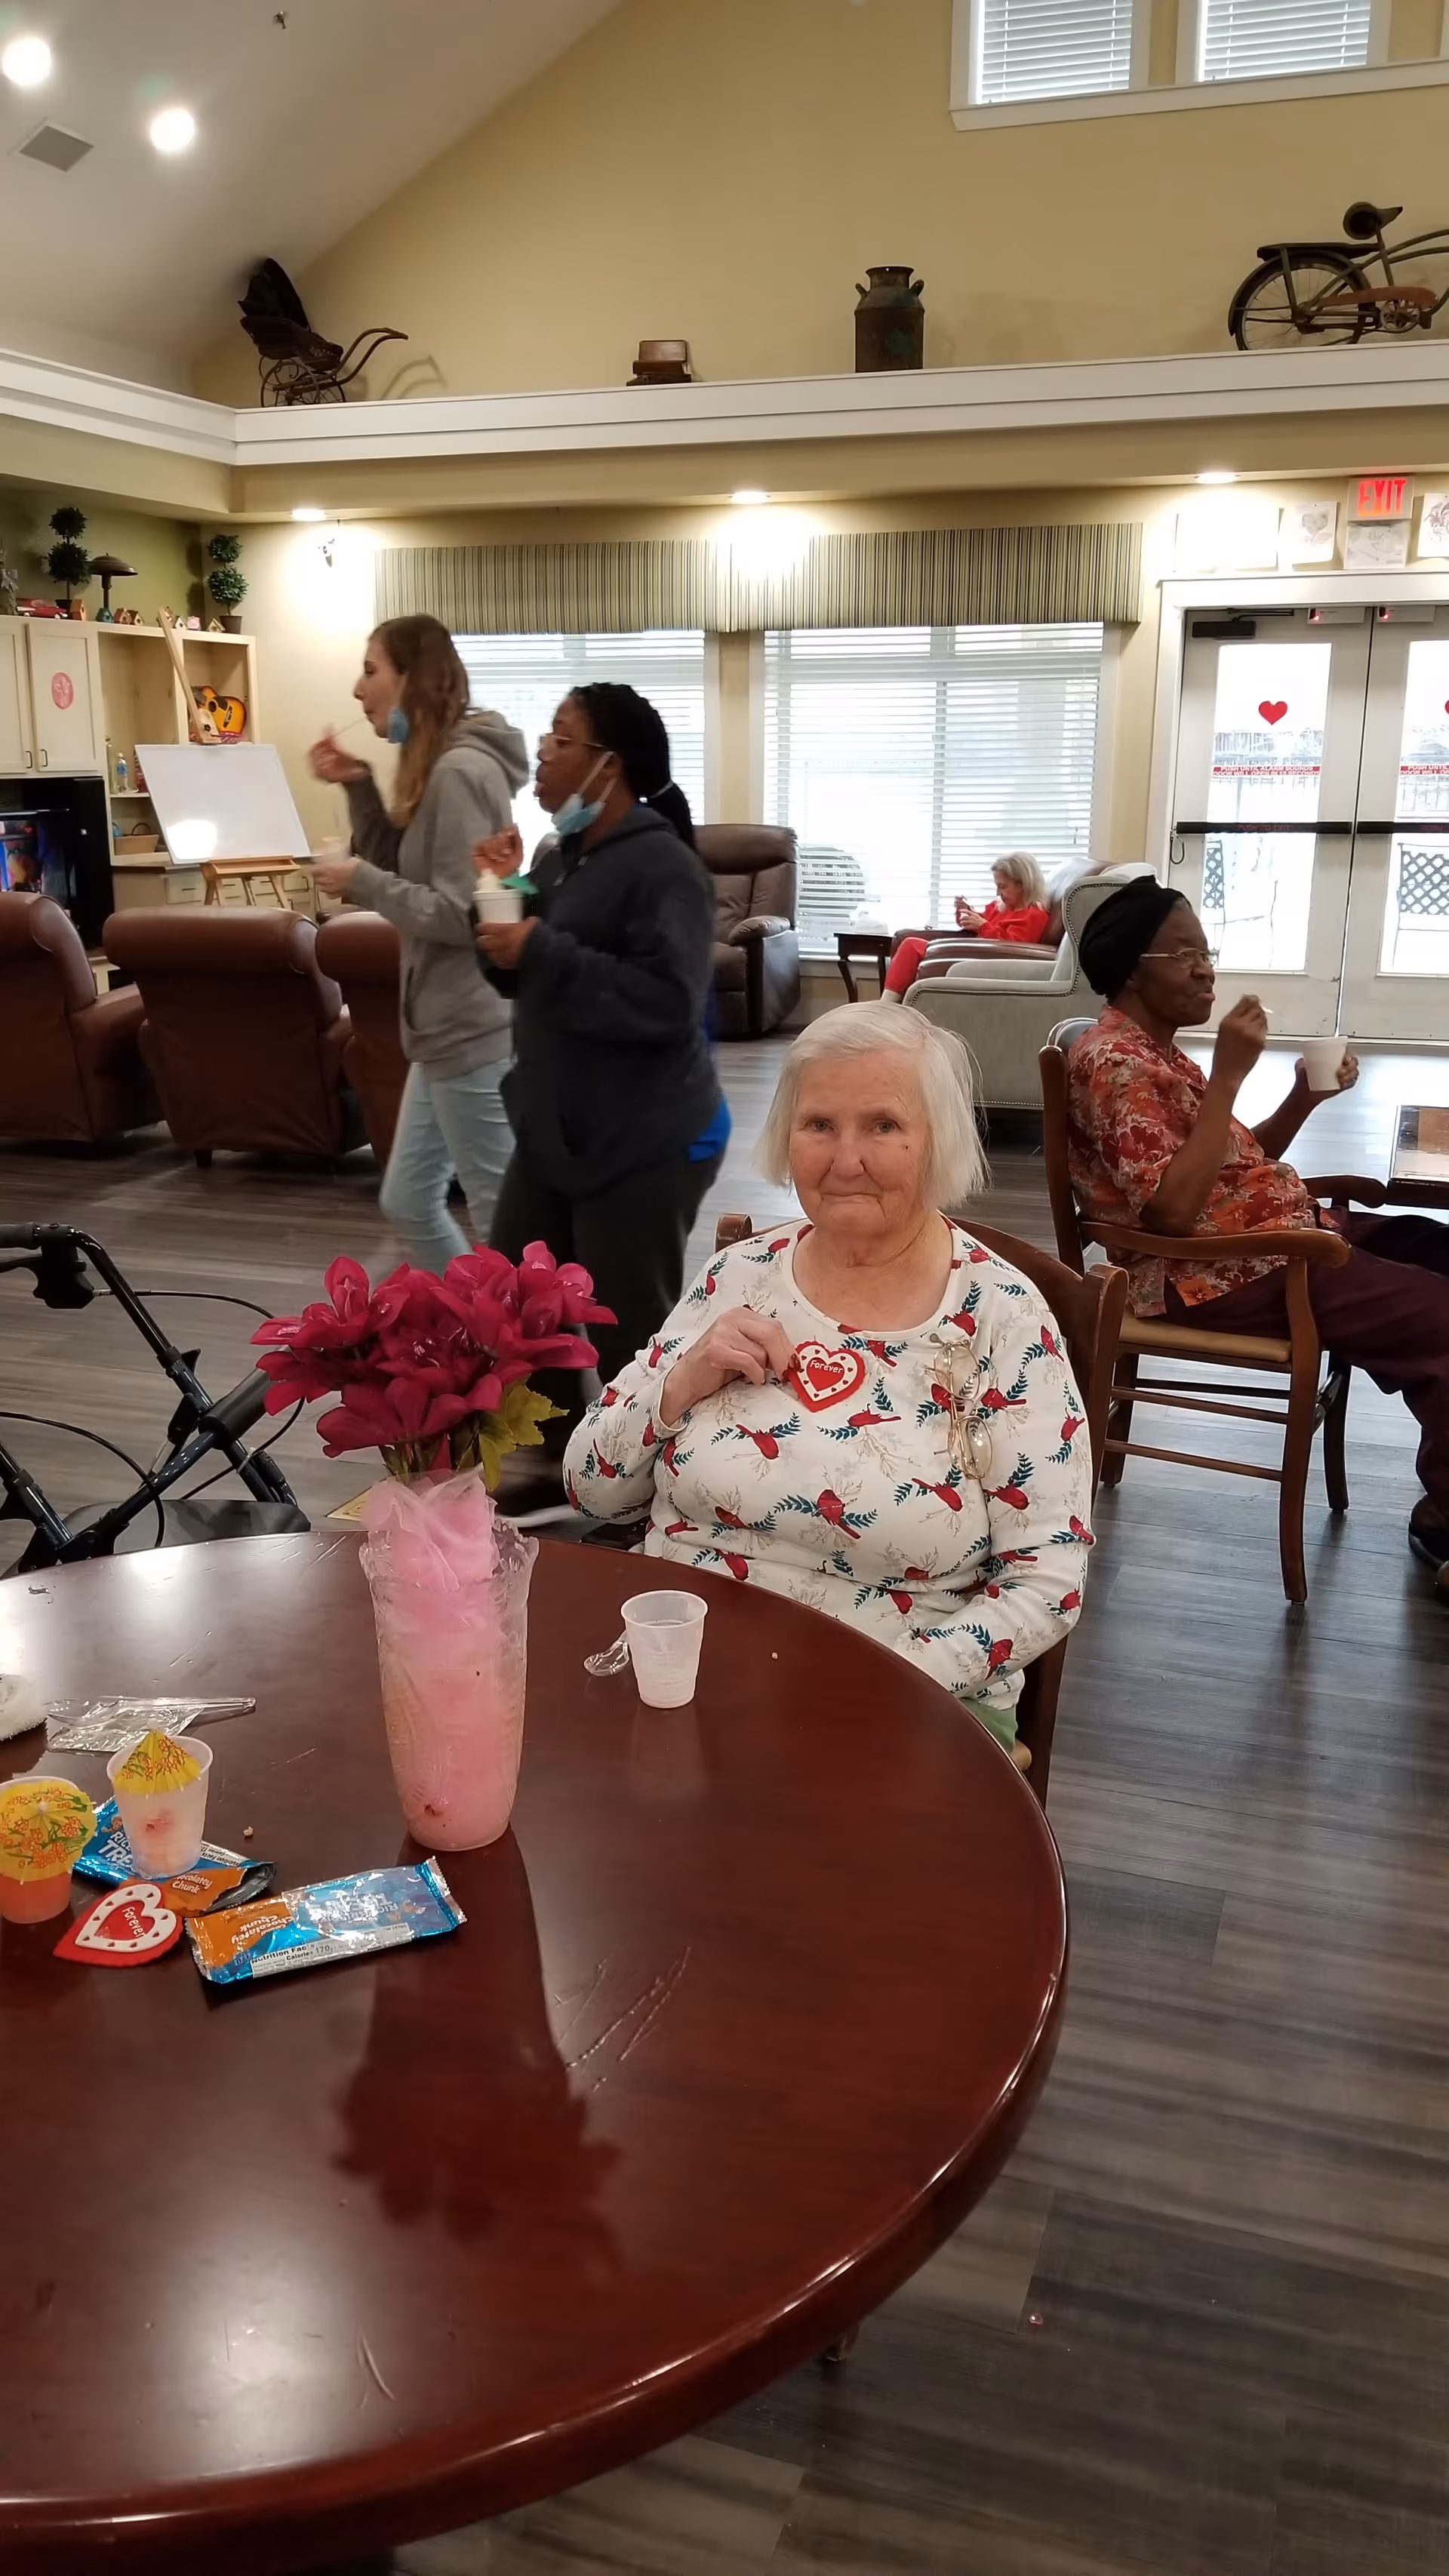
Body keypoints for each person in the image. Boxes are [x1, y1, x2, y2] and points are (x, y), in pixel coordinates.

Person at [564, 1003, 1092, 1750]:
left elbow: (1049, 1574)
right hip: (677, 1674)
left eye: (883, 1125)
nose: (846, 1159)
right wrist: (678, 1385)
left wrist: (881, 1687)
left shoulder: (998, 1316)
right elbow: (590, 1486)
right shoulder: (737, 1276)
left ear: (936, 1139)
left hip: (898, 1698)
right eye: (819, 1125)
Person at [1068, 874, 1449, 1590]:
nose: (1206, 968)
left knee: (1437, 1251)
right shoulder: (1114, 1063)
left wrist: (1304, 1096)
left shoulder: (1154, 1048)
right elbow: (1173, 1213)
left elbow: (1233, 1164)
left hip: (1268, 1242)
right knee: (1442, 1319)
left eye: (1206, 950)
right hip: (1207, 1274)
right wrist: (1229, 1081)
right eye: (1182, 956)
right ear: (1129, 971)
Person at [472, 682, 727, 1399]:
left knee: (630, 1328)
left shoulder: (666, 867)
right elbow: (519, 973)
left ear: (606, 765)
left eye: (560, 738)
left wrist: (539, 947)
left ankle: (650, 1485)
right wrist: (500, 888)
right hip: (558, 1130)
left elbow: (667, 1002)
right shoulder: (562, 856)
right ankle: (566, 1468)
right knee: (520, 1304)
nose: (542, 753)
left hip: (642, 1138)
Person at [307, 617, 527, 1270]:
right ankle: (478, 1333)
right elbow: (411, 869)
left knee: (500, 1219)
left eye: (371, 670)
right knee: (408, 1199)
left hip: (470, 1024)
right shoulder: (436, 764)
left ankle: (532, 1370)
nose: (357, 688)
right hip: (441, 1028)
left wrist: (363, 881)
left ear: (412, 678)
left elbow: (471, 914)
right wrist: (357, 785)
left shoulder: (460, 769)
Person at [883, 851, 1052, 1001]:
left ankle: (885, 1005)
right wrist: (966, 913)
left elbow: (1014, 950)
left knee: (912, 945)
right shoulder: (1002, 906)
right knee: (910, 943)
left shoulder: (1034, 914)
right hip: (974, 952)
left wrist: (982, 926)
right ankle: (889, 1003)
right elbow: (982, 923)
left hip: (981, 960)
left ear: (1022, 884)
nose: (998, 893)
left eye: (1003, 886)